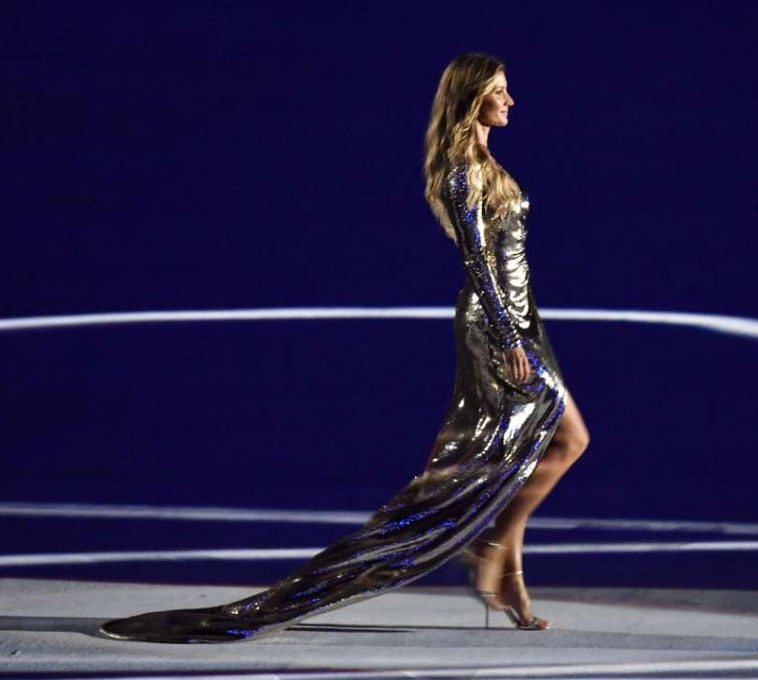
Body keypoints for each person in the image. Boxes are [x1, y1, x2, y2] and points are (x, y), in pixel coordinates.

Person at [99, 52, 589, 643]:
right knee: (551, 444)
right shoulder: (463, 170)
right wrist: (508, 338)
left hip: (523, 320)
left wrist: (524, 326)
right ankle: (494, 554)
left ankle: (500, 555)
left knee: (555, 442)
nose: (510, 101)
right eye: (499, 92)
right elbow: (476, 260)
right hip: (496, 327)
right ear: (471, 99)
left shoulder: (487, 162)